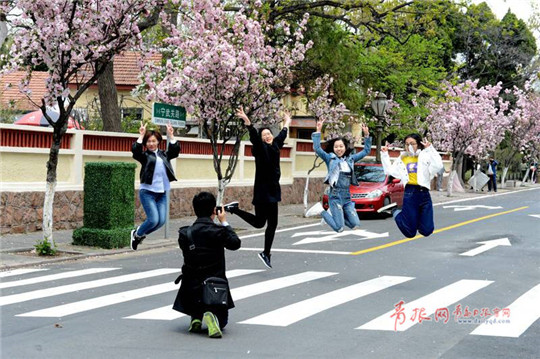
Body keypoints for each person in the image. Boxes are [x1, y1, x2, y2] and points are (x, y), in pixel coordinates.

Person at [223, 107, 291, 269]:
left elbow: (281, 136)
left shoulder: (275, 146)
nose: (267, 136)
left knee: (265, 223)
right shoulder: (261, 149)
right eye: (264, 135)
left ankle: (266, 252)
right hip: (263, 191)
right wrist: (248, 122)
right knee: (263, 224)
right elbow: (254, 137)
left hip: (273, 191)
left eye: (269, 134)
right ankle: (266, 252)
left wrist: (287, 123)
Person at [172, 192, 241, 339]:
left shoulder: (185, 233)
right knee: (222, 323)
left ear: (194, 210)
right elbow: (235, 244)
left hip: (191, 290)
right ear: (214, 211)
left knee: (194, 280)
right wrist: (224, 222)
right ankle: (211, 315)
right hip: (214, 288)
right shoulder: (218, 231)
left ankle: (196, 317)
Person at [304, 119, 371, 233]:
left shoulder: (350, 159)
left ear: (345, 147)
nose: (339, 149)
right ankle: (321, 211)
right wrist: (318, 131)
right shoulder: (330, 158)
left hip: (347, 196)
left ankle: (335, 215)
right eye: (336, 147)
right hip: (335, 195)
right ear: (333, 148)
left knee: (355, 225)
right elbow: (317, 149)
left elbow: (366, 151)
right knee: (339, 228)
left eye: (341, 146)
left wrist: (366, 135)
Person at [376, 134, 443, 238]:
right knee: (409, 233)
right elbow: (389, 171)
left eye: (412, 144)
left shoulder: (425, 155)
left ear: (418, 144)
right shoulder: (402, 158)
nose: (409, 146)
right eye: (407, 144)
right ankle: (395, 211)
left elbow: (438, 166)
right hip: (410, 193)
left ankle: (414, 220)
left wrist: (430, 149)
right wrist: (384, 154)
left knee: (427, 230)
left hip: (424, 194)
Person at [130, 121, 180, 250]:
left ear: (158, 141)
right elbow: (135, 151)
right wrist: (141, 136)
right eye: (148, 142)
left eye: (153, 141)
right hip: (148, 192)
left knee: (161, 222)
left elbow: (175, 151)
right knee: (153, 220)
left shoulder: (164, 154)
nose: (151, 144)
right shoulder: (144, 156)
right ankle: (137, 234)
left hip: (162, 193)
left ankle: (139, 235)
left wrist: (171, 135)